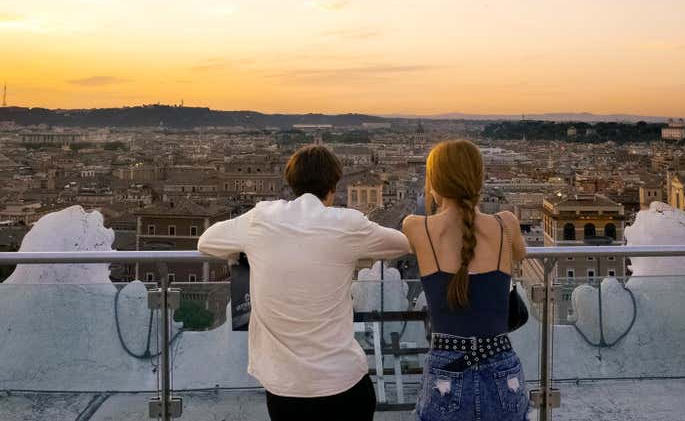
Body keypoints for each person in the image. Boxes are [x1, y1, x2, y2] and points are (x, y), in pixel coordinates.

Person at [198, 145, 410, 421]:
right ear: (333, 187)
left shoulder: (261, 218)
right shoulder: (348, 224)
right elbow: (401, 244)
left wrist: (248, 250)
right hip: (344, 383)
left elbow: (206, 241)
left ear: (292, 184)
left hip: (285, 389)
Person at [402, 140, 529, 421]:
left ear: (435, 182)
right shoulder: (506, 223)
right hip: (502, 365)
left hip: (447, 371)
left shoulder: (416, 226)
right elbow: (521, 253)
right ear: (478, 179)